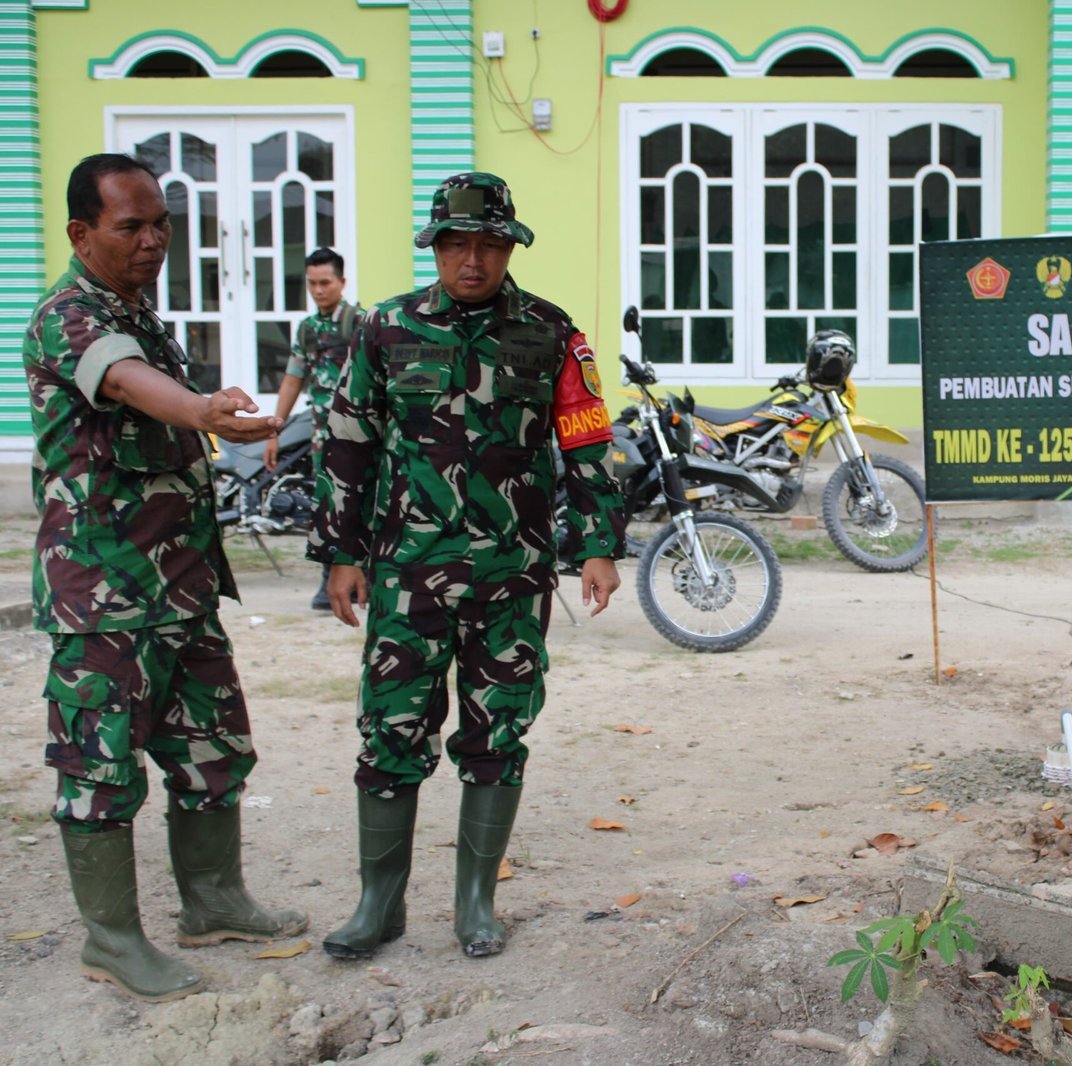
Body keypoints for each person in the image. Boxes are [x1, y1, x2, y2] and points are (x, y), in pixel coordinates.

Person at [308, 172, 626, 960]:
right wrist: (340, 554)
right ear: (436, 247)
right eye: (457, 244)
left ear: (508, 246)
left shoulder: (551, 334)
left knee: (498, 733)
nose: (473, 260)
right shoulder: (383, 329)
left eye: (488, 244)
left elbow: (585, 443)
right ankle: (377, 907)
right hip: (406, 577)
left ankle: (475, 905)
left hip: (511, 576)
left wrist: (597, 544)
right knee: (391, 733)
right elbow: (344, 445)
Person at [23, 154, 307, 1002]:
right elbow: (123, 383)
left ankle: (213, 900)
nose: (153, 242)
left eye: (161, 225)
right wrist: (203, 410)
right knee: (101, 771)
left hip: (179, 583)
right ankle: (112, 940)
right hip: (104, 594)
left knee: (213, 750)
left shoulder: (142, 313)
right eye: (130, 227)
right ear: (81, 233)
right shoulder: (68, 314)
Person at [263, 246, 363, 611]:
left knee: (361, 501)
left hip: (359, 434)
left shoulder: (358, 324)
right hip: (323, 437)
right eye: (312, 284)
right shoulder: (307, 329)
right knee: (326, 505)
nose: (319, 290)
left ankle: (361, 577)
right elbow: (292, 379)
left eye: (325, 283)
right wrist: (275, 429)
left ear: (342, 282)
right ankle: (328, 580)